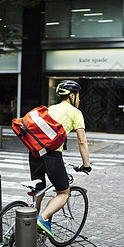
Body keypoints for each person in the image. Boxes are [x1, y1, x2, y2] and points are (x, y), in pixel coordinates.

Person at [29, 80, 91, 238]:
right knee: (63, 192)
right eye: (78, 96)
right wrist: (86, 165)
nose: (79, 99)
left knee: (38, 190)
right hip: (52, 155)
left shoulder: (50, 109)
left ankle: (27, 224)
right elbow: (82, 141)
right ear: (71, 95)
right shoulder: (75, 113)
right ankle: (42, 219)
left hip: (35, 152)